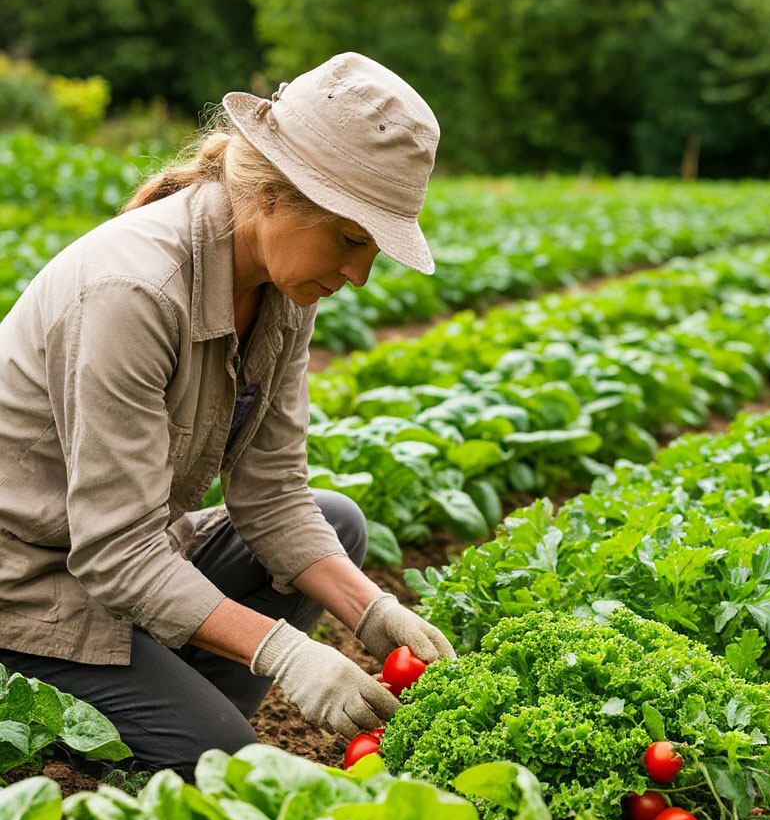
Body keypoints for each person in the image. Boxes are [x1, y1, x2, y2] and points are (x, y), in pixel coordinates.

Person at [0, 52, 456, 782]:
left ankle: (170, 719)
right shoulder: (134, 290)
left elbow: (273, 496)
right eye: (350, 239)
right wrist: (284, 652)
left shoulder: (283, 291)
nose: (360, 275)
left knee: (336, 523)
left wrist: (374, 613)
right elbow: (115, 554)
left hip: (126, 571)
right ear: (274, 194)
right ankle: (127, 728)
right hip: (28, 591)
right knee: (231, 770)